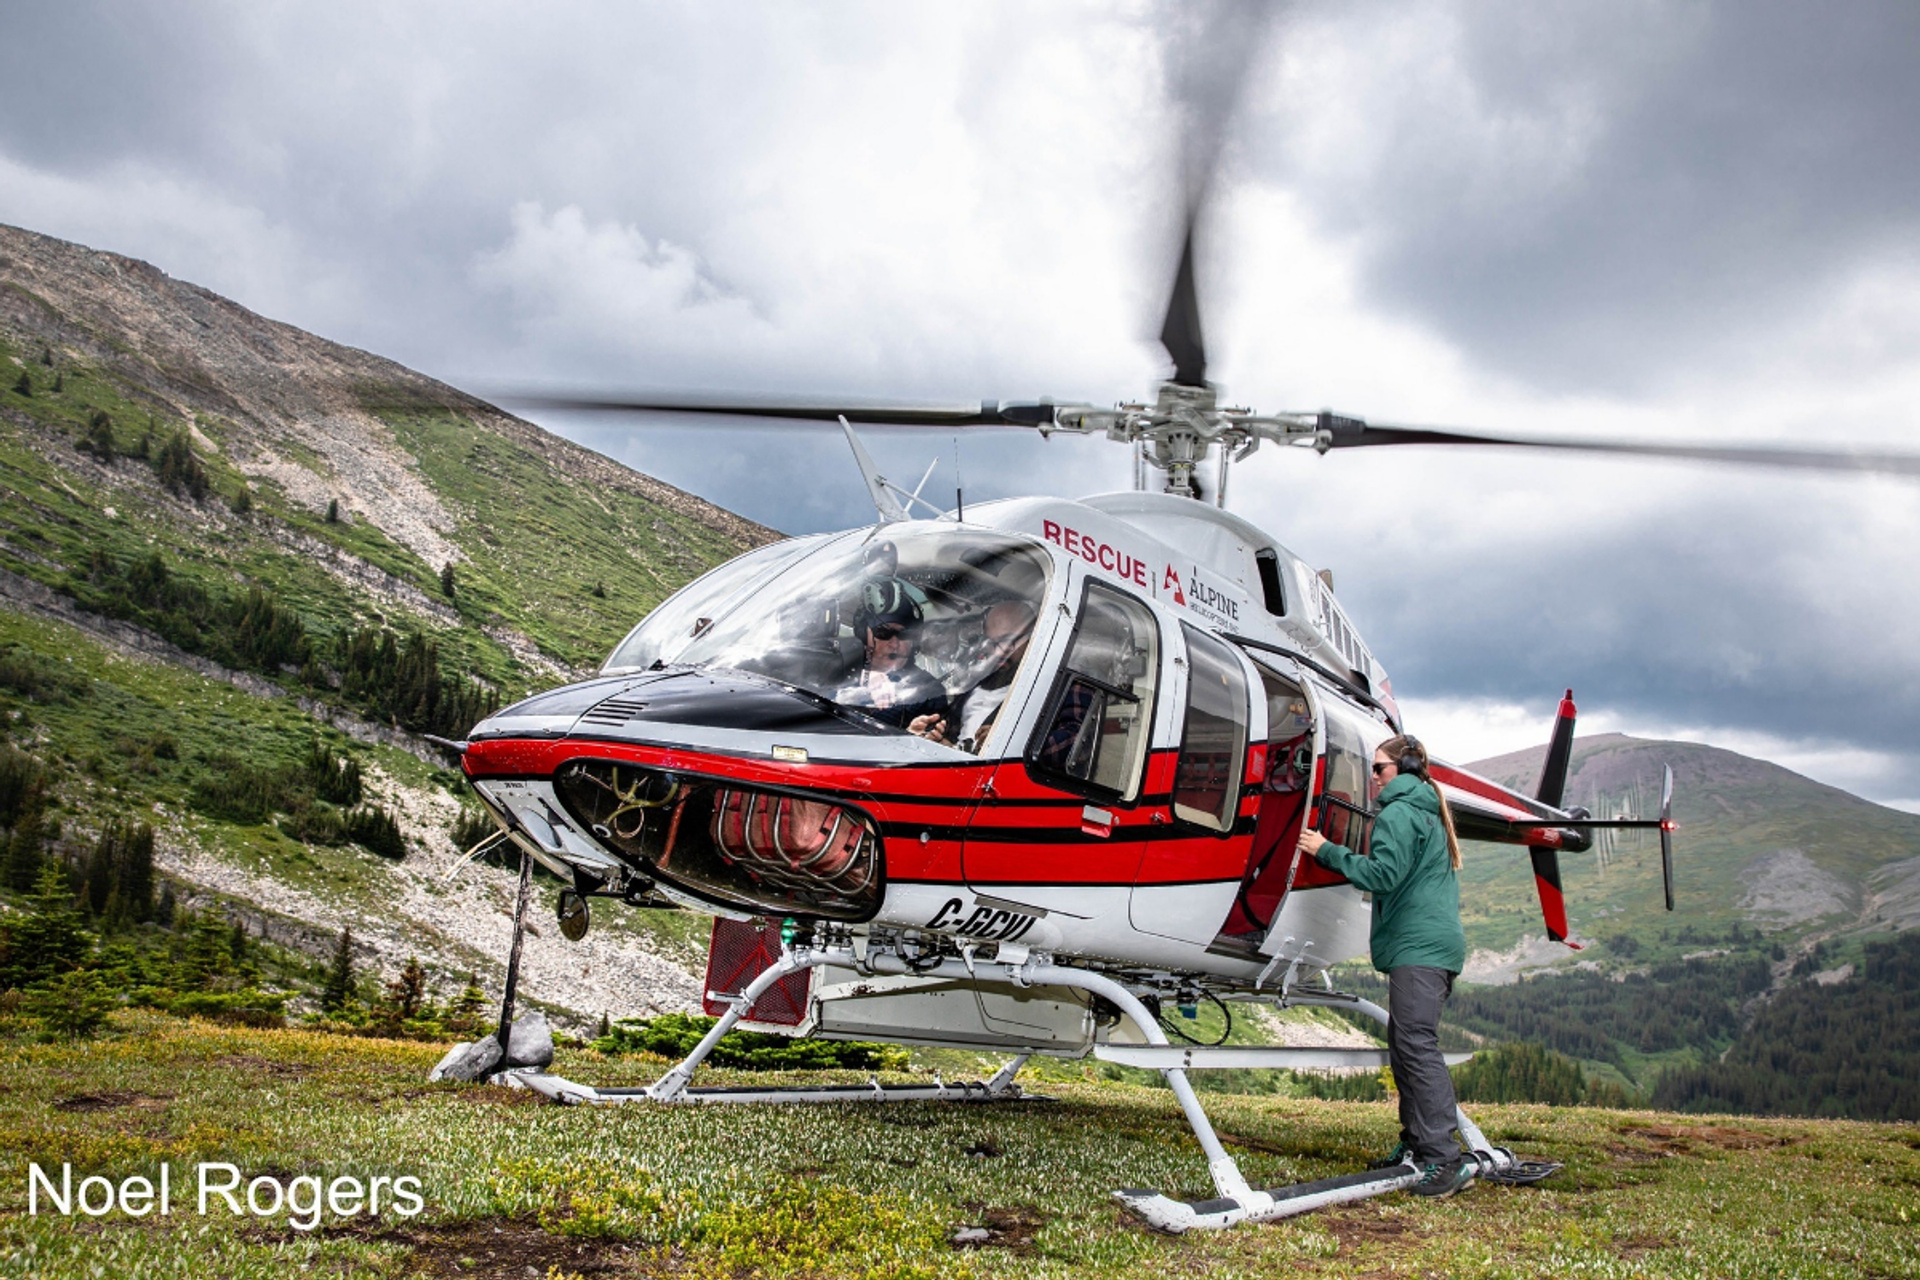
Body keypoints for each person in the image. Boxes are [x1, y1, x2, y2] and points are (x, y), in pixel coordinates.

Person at [1295, 733, 1473, 1198]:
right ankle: (1416, 1145)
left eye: (1379, 769)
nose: (1373, 778)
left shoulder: (1399, 811)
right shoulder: (1426, 808)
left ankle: (1441, 1158)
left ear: (1404, 769)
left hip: (1421, 950)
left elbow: (1382, 875)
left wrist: (1325, 850)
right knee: (1406, 1047)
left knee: (1416, 1047)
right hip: (1431, 946)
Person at [908, 600, 1035, 753]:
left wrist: (1014, 741)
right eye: (992, 642)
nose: (999, 652)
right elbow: (953, 742)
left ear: (1033, 638)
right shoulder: (975, 683)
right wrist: (928, 736)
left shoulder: (1052, 692)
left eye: (1008, 641)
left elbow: (1060, 751)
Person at [836, 577, 948, 730]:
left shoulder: (930, 691)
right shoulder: (836, 670)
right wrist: (862, 676)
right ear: (863, 636)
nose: (894, 644)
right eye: (883, 632)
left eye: (904, 635)